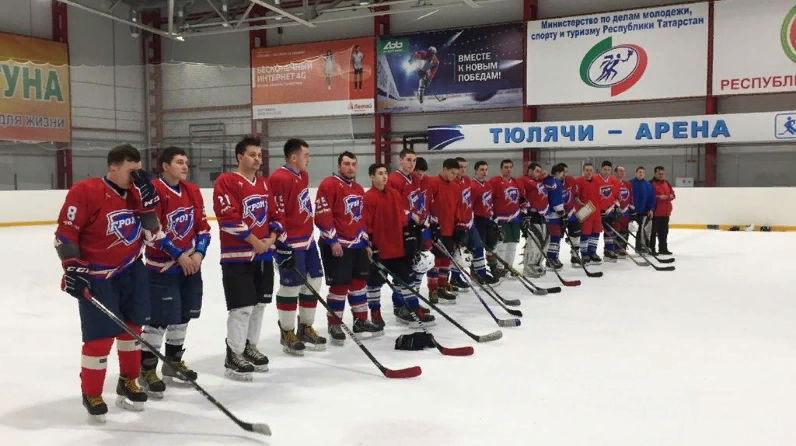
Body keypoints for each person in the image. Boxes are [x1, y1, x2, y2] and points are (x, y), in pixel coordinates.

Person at [55, 144, 162, 421]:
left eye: (139, 172)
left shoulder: (139, 194)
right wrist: (72, 266)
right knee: (99, 338)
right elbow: (66, 232)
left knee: (133, 330)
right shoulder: (86, 190)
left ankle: (128, 381)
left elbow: (153, 237)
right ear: (113, 167)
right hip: (97, 277)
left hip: (131, 271)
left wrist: (148, 207)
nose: (136, 178)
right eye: (131, 171)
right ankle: (92, 392)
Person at [139, 146, 210, 397]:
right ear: (165, 166)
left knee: (182, 316)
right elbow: (152, 232)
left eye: (186, 162)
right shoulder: (154, 191)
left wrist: (198, 253)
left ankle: (173, 363)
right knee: (157, 321)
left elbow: (203, 228)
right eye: (179, 162)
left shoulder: (192, 190)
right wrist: (179, 255)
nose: (185, 166)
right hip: (162, 269)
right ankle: (147, 369)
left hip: (189, 266)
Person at [213, 135, 283, 380]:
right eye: (252, 155)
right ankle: (234, 354)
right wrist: (255, 241)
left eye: (259, 155)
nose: (257, 159)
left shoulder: (264, 184)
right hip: (237, 257)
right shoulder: (226, 181)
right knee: (241, 308)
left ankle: (250, 346)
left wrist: (271, 239)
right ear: (239, 157)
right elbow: (228, 217)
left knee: (259, 305)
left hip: (262, 256)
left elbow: (275, 215)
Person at [314, 151, 382, 344]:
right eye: (346, 164)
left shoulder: (359, 189)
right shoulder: (329, 184)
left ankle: (360, 320)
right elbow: (323, 214)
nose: (350, 168)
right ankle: (334, 323)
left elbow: (361, 218)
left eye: (353, 164)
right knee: (340, 285)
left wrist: (366, 242)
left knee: (359, 283)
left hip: (357, 244)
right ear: (339, 166)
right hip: (338, 245)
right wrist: (332, 240)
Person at [269, 138, 327, 355]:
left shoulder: (302, 175)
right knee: (291, 287)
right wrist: (281, 245)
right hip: (290, 243)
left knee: (314, 281)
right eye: (305, 155)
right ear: (294, 157)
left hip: (308, 240)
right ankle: (287, 331)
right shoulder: (278, 178)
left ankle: (305, 327)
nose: (308, 159)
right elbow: (276, 213)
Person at [364, 163, 435, 327]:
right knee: (374, 283)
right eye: (380, 173)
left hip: (397, 248)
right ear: (372, 176)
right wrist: (370, 244)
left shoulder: (394, 194)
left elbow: (401, 218)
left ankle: (412, 309)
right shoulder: (368, 197)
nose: (384, 176)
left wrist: (407, 236)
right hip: (380, 249)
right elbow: (366, 224)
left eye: (385, 173)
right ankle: (375, 313)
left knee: (407, 279)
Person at [450, 157, 496, 288]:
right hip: (458, 223)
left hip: (469, 221)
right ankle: (455, 277)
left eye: (465, 167)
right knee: (459, 251)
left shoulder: (467, 180)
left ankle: (481, 273)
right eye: (460, 167)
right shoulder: (452, 182)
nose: (463, 170)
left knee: (478, 246)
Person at [426, 158, 467, 304]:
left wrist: (459, 225)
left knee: (446, 259)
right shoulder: (432, 182)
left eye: (456, 174)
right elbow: (427, 205)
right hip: (436, 229)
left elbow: (457, 208)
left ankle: (442, 285)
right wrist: (430, 225)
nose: (454, 176)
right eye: (452, 173)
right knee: (436, 261)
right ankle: (433, 289)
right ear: (444, 169)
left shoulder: (456, 187)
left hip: (450, 229)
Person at [489, 159, 522, 278]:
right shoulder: (494, 181)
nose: (508, 169)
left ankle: (509, 268)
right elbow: (488, 199)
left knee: (512, 245)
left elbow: (521, 199)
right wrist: (492, 215)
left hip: (515, 218)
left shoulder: (516, 182)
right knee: (502, 245)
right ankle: (499, 268)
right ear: (501, 169)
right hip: (500, 218)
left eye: (510, 167)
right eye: (506, 167)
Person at [471, 161, 502, 278]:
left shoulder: (488, 185)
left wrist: (494, 216)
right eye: (481, 169)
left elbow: (489, 202)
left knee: (492, 243)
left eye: (486, 169)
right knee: (478, 245)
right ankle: (475, 270)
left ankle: (493, 267)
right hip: (478, 219)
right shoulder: (472, 185)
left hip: (488, 219)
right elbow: (469, 205)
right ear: (476, 171)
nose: (484, 172)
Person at [575, 163, 602, 264]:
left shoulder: (597, 182)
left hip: (596, 211)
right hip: (585, 211)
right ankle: (584, 253)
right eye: (587, 170)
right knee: (585, 233)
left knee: (595, 233)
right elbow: (575, 196)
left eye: (591, 170)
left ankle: (592, 252)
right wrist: (579, 203)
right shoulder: (578, 181)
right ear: (583, 171)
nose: (589, 172)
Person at [556, 163, 582, 266]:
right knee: (557, 237)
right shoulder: (554, 183)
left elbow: (575, 195)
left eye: (566, 172)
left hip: (571, 213)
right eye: (563, 172)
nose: (565, 174)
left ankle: (575, 256)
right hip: (559, 215)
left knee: (576, 235)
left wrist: (580, 203)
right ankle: (554, 257)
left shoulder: (571, 180)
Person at [595, 160, 620, 262]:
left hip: (609, 211)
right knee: (595, 232)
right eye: (605, 169)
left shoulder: (614, 181)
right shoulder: (594, 179)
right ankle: (591, 252)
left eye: (609, 170)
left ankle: (608, 251)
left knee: (609, 231)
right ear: (601, 169)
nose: (606, 171)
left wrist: (616, 207)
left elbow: (616, 196)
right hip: (597, 212)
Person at [650, 166, 675, 255]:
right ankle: (652, 249)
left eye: (662, 174)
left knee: (664, 232)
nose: (661, 175)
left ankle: (663, 249)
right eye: (659, 174)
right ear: (655, 173)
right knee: (653, 233)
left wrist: (672, 196)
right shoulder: (651, 183)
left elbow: (672, 193)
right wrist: (658, 197)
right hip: (656, 213)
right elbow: (649, 196)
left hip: (665, 212)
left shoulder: (666, 183)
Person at [629, 166, 655, 252]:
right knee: (626, 229)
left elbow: (651, 197)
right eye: (640, 172)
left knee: (641, 229)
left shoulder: (648, 185)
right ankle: (622, 247)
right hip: (630, 211)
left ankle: (640, 246)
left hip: (643, 210)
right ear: (636, 173)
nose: (641, 174)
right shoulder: (630, 183)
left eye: (643, 172)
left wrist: (650, 209)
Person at [612, 165, 633, 257]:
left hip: (625, 211)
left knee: (624, 230)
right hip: (614, 211)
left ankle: (622, 247)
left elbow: (630, 196)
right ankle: (613, 248)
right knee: (615, 230)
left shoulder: (627, 184)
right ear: (615, 172)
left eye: (624, 171)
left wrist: (632, 210)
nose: (622, 173)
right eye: (620, 171)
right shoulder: (611, 182)